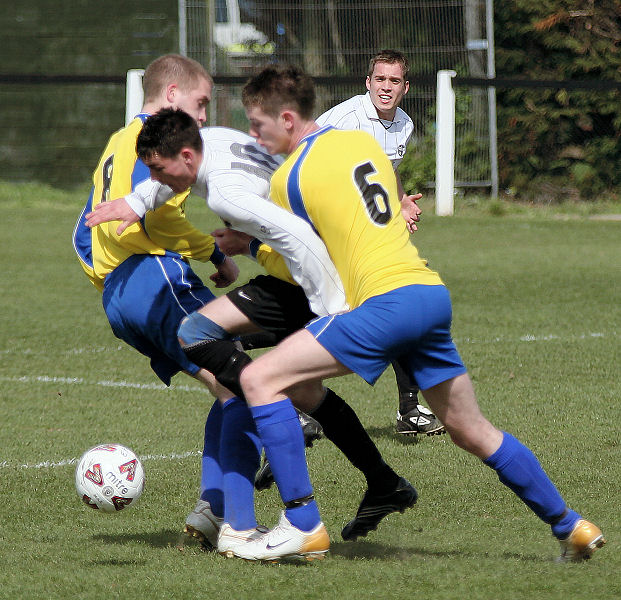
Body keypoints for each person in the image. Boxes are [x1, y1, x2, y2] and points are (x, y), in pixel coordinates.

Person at [206, 63, 603, 563]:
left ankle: (302, 526)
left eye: (257, 124)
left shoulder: (290, 178)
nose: (253, 135)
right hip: (427, 292)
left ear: (286, 119)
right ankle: (573, 527)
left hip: (386, 301)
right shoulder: (363, 143)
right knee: (471, 430)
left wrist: (248, 247)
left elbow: (306, 260)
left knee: (261, 378)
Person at [84, 108, 418, 555]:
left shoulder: (225, 195)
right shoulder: (212, 139)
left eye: (156, 169)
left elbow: (299, 240)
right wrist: (138, 200)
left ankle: (248, 520)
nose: (153, 177)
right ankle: (382, 482)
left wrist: (328, 313)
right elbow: (171, 173)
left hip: (315, 277)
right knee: (292, 383)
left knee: (226, 359)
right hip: (307, 270)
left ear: (185, 153)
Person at [316, 49, 442, 436]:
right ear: (367, 82)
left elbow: (385, 173)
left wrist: (399, 200)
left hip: (367, 235)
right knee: (335, 314)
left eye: (393, 81)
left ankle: (408, 411)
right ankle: (281, 386)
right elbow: (302, 164)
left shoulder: (403, 124)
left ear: (405, 87)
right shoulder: (343, 120)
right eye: (379, 79)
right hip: (328, 231)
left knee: (396, 309)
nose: (385, 87)